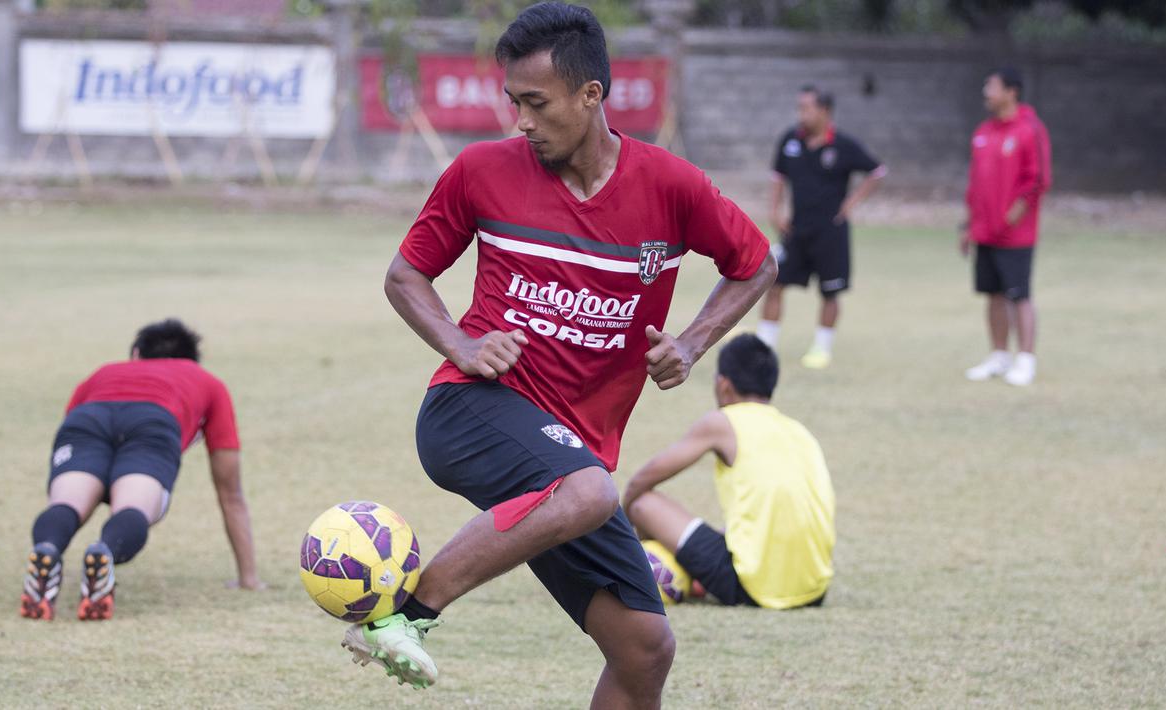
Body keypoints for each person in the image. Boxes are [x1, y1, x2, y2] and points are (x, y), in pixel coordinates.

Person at [347, 3, 776, 704]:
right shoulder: (481, 171)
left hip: (572, 463)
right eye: (513, 101)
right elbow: (405, 275)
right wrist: (460, 343)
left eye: (535, 103)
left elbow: (755, 263)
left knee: (645, 647)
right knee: (588, 491)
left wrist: (694, 343)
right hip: (470, 409)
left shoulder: (670, 187)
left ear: (590, 95)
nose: (519, 120)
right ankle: (406, 615)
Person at [20, 319, 262, 622]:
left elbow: (72, 423)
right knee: (136, 507)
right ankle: (105, 550)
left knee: (68, 503)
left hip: (88, 419)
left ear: (136, 353)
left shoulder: (104, 373)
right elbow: (231, 493)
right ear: (192, 358)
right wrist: (248, 577)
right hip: (153, 422)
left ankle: (48, 547)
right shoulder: (206, 381)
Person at [623, 334, 834, 610]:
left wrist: (625, 528)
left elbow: (643, 480)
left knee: (643, 502)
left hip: (751, 587)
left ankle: (640, 567)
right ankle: (685, 571)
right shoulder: (799, 431)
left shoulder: (723, 422)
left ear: (723, 385)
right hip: (814, 589)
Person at [757, 85, 886, 369]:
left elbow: (877, 172)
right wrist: (775, 210)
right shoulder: (790, 140)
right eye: (799, 108)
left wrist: (851, 204)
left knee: (830, 292)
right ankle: (764, 347)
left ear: (824, 111)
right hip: (795, 229)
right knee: (774, 284)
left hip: (831, 232)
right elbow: (777, 176)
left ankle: (821, 348)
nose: (801, 114)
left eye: (807, 108)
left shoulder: (843, 145)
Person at [961, 66, 1051, 386]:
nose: (987, 92)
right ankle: (999, 356)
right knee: (993, 295)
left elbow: (1038, 178)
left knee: (1019, 296)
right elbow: (975, 184)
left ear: (1011, 91)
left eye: (992, 86)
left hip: (1015, 235)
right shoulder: (983, 131)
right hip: (984, 231)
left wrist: (1017, 211)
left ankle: (1026, 359)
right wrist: (967, 226)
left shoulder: (1029, 129)